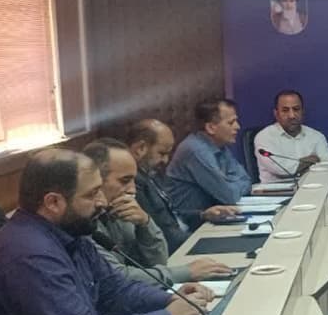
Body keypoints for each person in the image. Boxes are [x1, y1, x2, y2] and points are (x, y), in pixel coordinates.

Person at [0, 149, 208, 315]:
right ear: (53, 202)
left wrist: (169, 299)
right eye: (91, 194)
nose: (103, 202)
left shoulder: (69, 231)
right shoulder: (28, 252)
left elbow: (116, 289)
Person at [83, 139, 230, 288]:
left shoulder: (117, 210)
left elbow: (157, 262)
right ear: (95, 180)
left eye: (133, 180)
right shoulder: (82, 223)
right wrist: (187, 272)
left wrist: (145, 224)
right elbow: (117, 278)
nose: (132, 190)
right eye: (124, 181)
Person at [126, 119, 239, 251]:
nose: (165, 160)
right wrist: (205, 243)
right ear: (140, 148)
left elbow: (172, 217)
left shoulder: (151, 174)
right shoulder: (134, 184)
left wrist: (203, 215)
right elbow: (161, 233)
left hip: (183, 240)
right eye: (162, 153)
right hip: (173, 250)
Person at [166, 99, 253, 219]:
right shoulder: (195, 150)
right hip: (189, 223)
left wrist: (232, 185)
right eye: (231, 122)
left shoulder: (220, 145)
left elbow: (247, 179)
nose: (238, 127)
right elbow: (230, 196)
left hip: (214, 217)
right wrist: (233, 184)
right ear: (211, 128)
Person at [254, 90, 328, 183]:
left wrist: (298, 165)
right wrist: (310, 161)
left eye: (296, 109)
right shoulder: (264, 137)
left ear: (303, 111)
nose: (292, 116)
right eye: (285, 110)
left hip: (312, 186)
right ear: (276, 113)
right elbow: (281, 169)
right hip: (276, 190)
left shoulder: (316, 136)